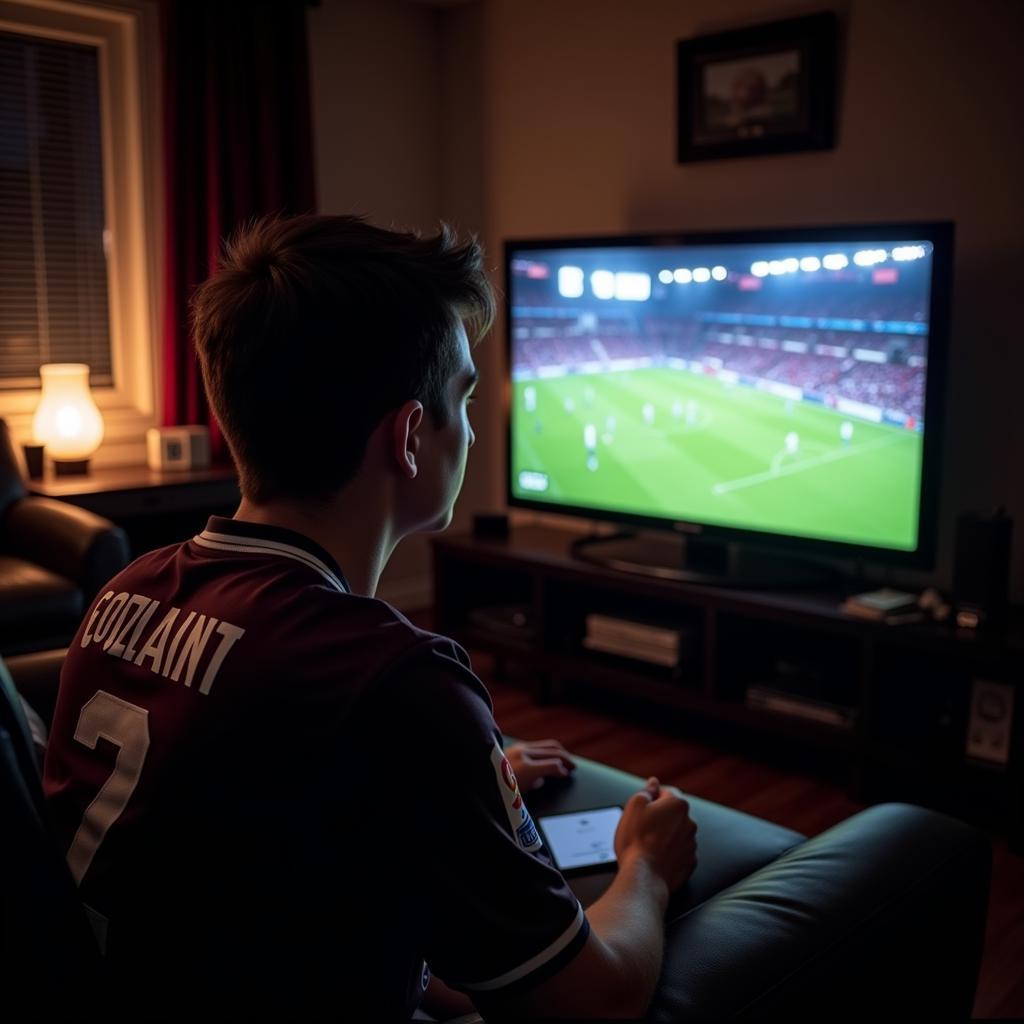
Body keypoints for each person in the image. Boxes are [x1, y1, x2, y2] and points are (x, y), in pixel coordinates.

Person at [42, 215, 698, 1022]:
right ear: (411, 437)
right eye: (461, 397)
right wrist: (647, 865)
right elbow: (594, 1003)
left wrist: (443, 786)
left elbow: (245, 818)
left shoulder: (126, 590)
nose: (470, 423)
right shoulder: (394, 680)